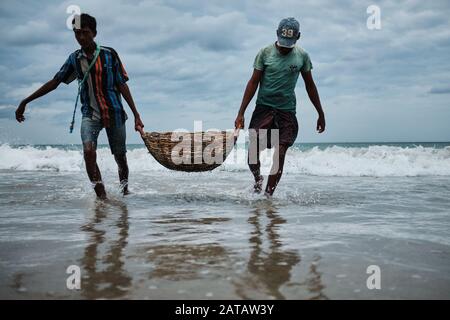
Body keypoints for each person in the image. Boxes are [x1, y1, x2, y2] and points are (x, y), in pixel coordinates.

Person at [15, 13, 145, 199]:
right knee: (88, 153)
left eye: (85, 33)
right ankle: (102, 198)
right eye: (77, 33)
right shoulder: (74, 59)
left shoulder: (110, 54)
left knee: (120, 158)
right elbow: (55, 82)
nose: (81, 38)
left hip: (114, 112)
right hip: (90, 114)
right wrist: (25, 101)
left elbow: (122, 85)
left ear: (94, 32)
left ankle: (125, 192)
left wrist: (136, 115)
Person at [235, 17, 326, 197]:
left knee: (281, 151)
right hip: (263, 108)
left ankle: (268, 196)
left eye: (289, 44)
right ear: (277, 34)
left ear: (298, 37)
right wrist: (241, 113)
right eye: (283, 43)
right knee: (253, 151)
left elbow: (310, 85)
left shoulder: (302, 56)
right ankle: (257, 180)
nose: (285, 48)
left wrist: (320, 113)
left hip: (286, 111)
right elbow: (253, 82)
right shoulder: (264, 53)